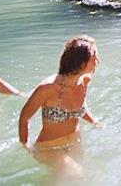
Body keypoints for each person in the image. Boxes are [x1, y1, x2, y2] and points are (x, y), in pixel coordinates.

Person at [18, 35, 101, 176]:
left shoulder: (84, 81)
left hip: (75, 141)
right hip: (49, 147)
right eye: (94, 57)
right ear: (81, 62)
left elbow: (80, 108)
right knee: (76, 176)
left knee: (72, 178)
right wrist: (25, 146)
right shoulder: (48, 88)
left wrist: (94, 122)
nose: (98, 61)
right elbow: (24, 117)